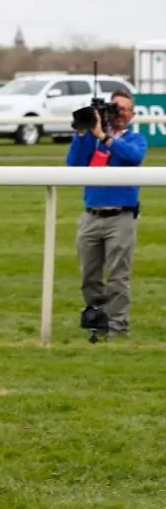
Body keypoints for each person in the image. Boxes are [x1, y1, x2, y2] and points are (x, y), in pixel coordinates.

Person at [65, 88, 147, 336]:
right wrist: (82, 132)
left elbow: (132, 157)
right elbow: (74, 165)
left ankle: (118, 326)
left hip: (121, 217)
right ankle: (97, 321)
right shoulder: (91, 139)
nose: (120, 113)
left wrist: (105, 137)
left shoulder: (136, 139)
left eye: (125, 109)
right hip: (91, 216)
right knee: (89, 276)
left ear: (132, 115)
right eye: (116, 108)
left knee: (118, 277)